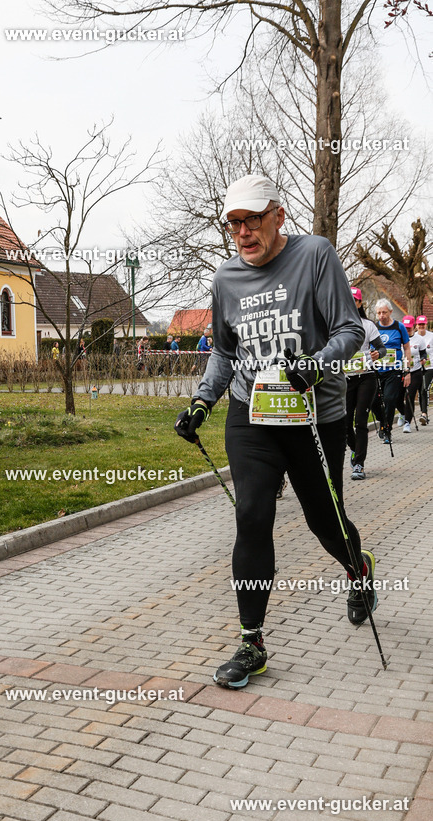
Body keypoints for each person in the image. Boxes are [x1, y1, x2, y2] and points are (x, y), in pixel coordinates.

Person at [174, 174, 374, 689]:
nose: (243, 232)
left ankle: (357, 568)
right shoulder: (225, 280)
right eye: (234, 223)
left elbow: (350, 330)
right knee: (252, 515)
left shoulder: (315, 255)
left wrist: (315, 363)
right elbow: (223, 351)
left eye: (253, 219)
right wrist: (202, 401)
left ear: (278, 216)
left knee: (325, 523)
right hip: (251, 415)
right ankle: (251, 642)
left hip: (312, 414)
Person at [345, 287, 386, 479]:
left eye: (355, 300)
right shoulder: (337, 324)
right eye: (349, 299)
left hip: (366, 377)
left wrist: (378, 353)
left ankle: (359, 464)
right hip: (344, 378)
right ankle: (355, 449)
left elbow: (382, 348)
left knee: (361, 419)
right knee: (344, 424)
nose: (352, 303)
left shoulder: (368, 325)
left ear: (360, 303)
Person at [374, 300, 411, 443]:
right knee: (373, 401)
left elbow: (407, 348)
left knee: (390, 399)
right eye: (378, 313)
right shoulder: (374, 327)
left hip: (393, 370)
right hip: (376, 370)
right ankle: (382, 422)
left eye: (384, 312)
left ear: (390, 312)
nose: (381, 316)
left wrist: (407, 370)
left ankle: (388, 430)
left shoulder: (399, 327)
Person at [401, 315, 426, 431]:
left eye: (409, 328)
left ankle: (407, 422)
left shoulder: (419, 339)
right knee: (396, 396)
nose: (407, 330)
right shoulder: (398, 337)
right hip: (400, 370)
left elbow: (423, 353)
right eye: (405, 328)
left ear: (413, 327)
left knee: (409, 395)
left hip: (415, 371)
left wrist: (423, 359)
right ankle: (402, 413)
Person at [415, 315, 433, 425]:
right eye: (419, 324)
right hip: (417, 367)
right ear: (416, 325)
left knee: (423, 389)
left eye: (423, 324)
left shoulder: (431, 336)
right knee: (420, 390)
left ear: (426, 325)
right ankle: (424, 415)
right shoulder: (414, 337)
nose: (421, 326)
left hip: (430, 367)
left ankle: (424, 414)